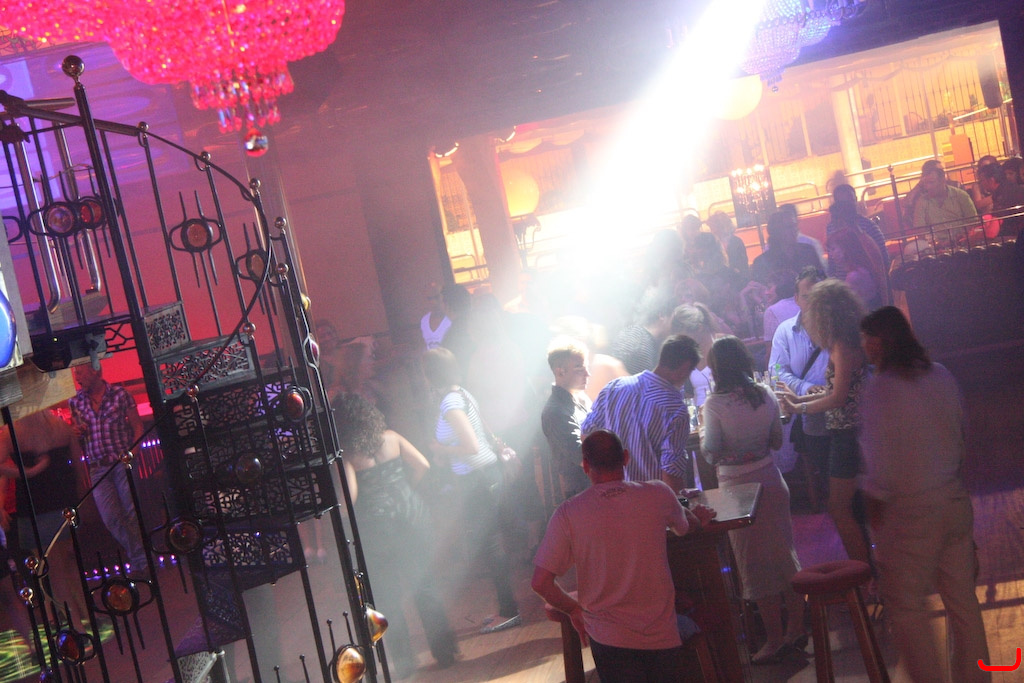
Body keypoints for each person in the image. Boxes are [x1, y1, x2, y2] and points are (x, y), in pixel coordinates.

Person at [858, 307, 991, 683]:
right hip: (952, 500)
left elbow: (879, 467)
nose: (864, 346)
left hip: (911, 511)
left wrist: (877, 528)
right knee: (963, 604)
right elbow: (960, 436)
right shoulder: (941, 375)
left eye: (867, 338)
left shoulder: (881, 389)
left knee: (907, 608)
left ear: (880, 342)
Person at [531, 430, 716, 683]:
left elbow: (540, 582)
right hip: (661, 632)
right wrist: (699, 517)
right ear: (626, 457)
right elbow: (687, 526)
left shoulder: (568, 513)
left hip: (608, 637)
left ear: (585, 465)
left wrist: (573, 609)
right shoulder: (658, 493)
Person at [700, 337, 807, 664]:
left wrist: (704, 434)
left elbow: (711, 452)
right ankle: (797, 628)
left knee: (753, 566)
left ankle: (773, 638)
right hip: (771, 480)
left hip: (737, 489)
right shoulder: (765, 394)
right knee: (785, 556)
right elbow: (776, 441)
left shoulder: (714, 404)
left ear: (716, 368)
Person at [334, 394, 457, 676]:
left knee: (388, 597)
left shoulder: (349, 455)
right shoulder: (392, 437)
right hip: (413, 518)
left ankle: (405, 663)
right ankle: (445, 652)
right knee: (425, 586)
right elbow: (423, 464)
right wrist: (405, 490)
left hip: (379, 530)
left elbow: (349, 500)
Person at [421, 347, 520, 634]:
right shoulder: (461, 393)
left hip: (478, 479)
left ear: (429, 374)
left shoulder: (450, 403)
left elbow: (471, 446)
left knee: (490, 546)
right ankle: (506, 608)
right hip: (485, 475)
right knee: (491, 544)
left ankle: (509, 611)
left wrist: (441, 449)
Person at [779, 279, 871, 565]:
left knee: (839, 507)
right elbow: (837, 392)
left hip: (848, 435)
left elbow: (839, 398)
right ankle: (868, 569)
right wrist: (800, 399)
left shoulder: (842, 347)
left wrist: (800, 407)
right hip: (847, 433)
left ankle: (864, 573)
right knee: (850, 507)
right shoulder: (845, 343)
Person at [582, 335, 700, 492]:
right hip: (652, 501)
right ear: (685, 367)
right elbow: (671, 472)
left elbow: (586, 434)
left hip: (612, 497)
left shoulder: (614, 387)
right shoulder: (675, 409)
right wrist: (682, 503)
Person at [69, 362, 148, 575]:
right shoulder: (75, 401)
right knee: (111, 518)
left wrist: (133, 453)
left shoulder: (120, 394)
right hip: (97, 467)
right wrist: (76, 431)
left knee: (132, 513)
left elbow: (137, 425)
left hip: (121, 462)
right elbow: (77, 431)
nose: (77, 378)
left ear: (95, 370)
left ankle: (142, 562)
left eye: (80, 372)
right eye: (76, 374)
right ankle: (142, 557)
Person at [770, 266, 831, 506]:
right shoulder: (785, 331)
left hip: (845, 410)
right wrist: (806, 388)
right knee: (827, 475)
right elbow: (777, 371)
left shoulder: (840, 326)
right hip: (812, 415)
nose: (813, 302)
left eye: (819, 295)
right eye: (807, 296)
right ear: (796, 299)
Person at [541, 338, 591, 499]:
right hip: (582, 495)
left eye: (586, 367)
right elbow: (582, 457)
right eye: (579, 368)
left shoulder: (580, 398)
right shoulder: (556, 411)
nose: (587, 374)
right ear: (560, 372)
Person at [608, 287, 675, 375]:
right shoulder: (643, 348)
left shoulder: (631, 332)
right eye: (673, 319)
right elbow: (639, 383)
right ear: (661, 316)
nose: (674, 326)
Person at [750, 210, 824, 286]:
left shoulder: (808, 251)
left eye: (795, 226)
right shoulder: (762, 262)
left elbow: (822, 279)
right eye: (789, 227)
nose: (794, 230)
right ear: (777, 231)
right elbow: (759, 289)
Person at [912, 160, 978, 229]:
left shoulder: (961, 196)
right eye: (925, 183)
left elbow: (973, 222)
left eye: (931, 182)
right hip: (935, 236)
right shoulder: (922, 202)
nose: (927, 187)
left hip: (963, 235)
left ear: (942, 180)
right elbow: (920, 229)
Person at [977, 162, 1024, 238]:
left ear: (991, 180)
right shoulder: (1008, 187)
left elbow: (992, 232)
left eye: (982, 180)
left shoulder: (1003, 195)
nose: (981, 184)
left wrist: (975, 237)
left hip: (1016, 237)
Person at [707, 211, 749, 279]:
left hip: (737, 278)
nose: (712, 231)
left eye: (713, 228)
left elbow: (743, 265)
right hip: (720, 280)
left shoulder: (736, 242)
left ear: (721, 226)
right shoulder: (713, 244)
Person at [420, 282, 451, 350]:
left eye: (437, 297)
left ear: (444, 296)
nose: (433, 302)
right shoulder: (424, 321)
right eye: (429, 298)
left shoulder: (452, 319)